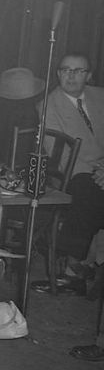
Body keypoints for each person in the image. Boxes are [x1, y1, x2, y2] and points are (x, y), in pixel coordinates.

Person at [40, 52, 104, 268]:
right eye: (66, 69)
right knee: (90, 193)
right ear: (58, 74)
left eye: (79, 70)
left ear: (89, 76)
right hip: (74, 173)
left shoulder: (100, 96)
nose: (72, 75)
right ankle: (73, 263)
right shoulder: (47, 106)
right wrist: (97, 174)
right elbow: (64, 158)